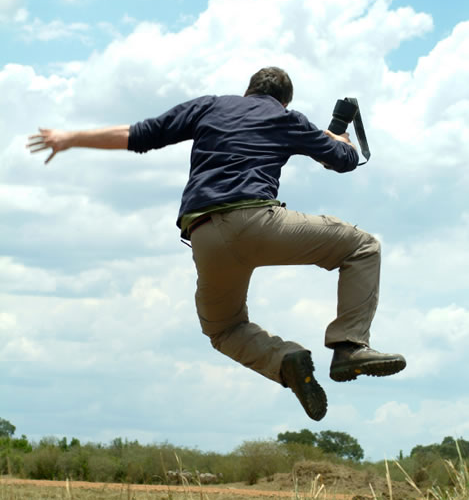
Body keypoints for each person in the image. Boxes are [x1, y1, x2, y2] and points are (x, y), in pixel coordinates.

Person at [27, 66, 406, 422]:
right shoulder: (288, 119)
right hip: (259, 223)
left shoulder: (209, 106)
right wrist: (338, 139)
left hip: (204, 235)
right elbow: (343, 160)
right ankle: (349, 347)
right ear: (284, 100)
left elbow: (141, 134)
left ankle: (285, 360)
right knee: (362, 248)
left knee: (224, 329)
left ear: (248, 90)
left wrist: (70, 138)